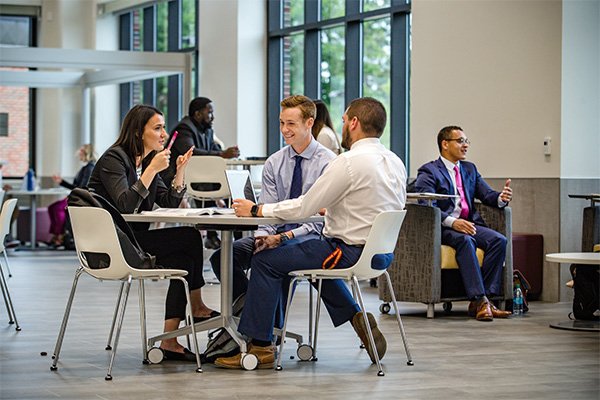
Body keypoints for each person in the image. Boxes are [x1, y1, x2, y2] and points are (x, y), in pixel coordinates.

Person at [215, 97, 407, 369]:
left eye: (343, 121)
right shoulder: (395, 161)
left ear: (354, 123)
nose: (339, 127)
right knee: (291, 256)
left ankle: (260, 347)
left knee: (266, 260)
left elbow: (307, 205)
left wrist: (258, 210)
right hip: (381, 255)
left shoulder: (346, 162)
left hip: (346, 251)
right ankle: (349, 317)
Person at [88, 104, 218, 362]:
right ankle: (198, 305)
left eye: (163, 128)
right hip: (113, 244)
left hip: (132, 240)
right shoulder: (114, 159)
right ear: (138, 133)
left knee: (184, 261)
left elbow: (167, 201)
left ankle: (170, 341)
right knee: (190, 237)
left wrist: (179, 171)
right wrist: (150, 171)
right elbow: (126, 204)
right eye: (157, 128)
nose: (164, 134)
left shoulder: (147, 161)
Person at [209, 95, 335, 316]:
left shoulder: (329, 163)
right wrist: (263, 237)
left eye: (291, 124)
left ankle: (262, 328)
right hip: (275, 235)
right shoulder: (274, 162)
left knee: (273, 257)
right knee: (223, 256)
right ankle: (250, 308)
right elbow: (267, 208)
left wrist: (283, 238)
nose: (284, 129)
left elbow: (318, 221)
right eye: (281, 123)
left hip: (310, 236)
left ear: (309, 123)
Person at [414, 125, 513, 321]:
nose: (465, 145)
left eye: (467, 141)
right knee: (466, 241)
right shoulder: (429, 170)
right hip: (443, 227)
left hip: (469, 224)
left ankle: (487, 300)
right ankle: (479, 299)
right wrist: (453, 222)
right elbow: (425, 204)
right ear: (445, 144)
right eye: (460, 141)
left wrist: (502, 197)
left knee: (499, 241)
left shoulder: (470, 169)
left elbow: (487, 195)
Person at [161, 97, 240, 249]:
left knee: (229, 190)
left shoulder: (207, 130)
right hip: (178, 178)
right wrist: (222, 154)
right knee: (207, 186)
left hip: (200, 177)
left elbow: (212, 149)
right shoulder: (184, 129)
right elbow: (192, 152)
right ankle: (212, 234)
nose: (213, 117)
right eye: (209, 113)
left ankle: (233, 238)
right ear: (197, 114)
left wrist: (227, 152)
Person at [48, 144, 96, 247]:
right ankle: (57, 234)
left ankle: (60, 236)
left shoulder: (89, 168)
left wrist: (70, 195)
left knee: (57, 208)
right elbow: (77, 186)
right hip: (76, 197)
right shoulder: (86, 168)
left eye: (81, 152)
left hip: (79, 199)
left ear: (86, 153)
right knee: (52, 207)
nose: (79, 154)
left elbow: (82, 188)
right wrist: (61, 182)